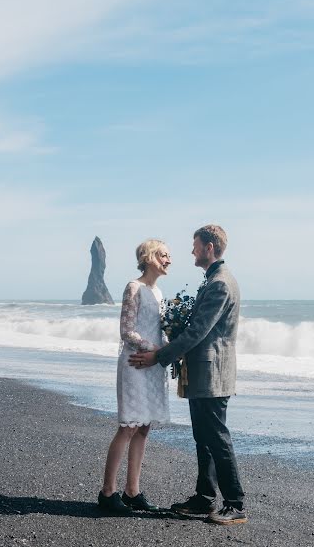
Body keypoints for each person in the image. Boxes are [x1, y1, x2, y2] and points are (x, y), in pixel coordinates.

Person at [129, 225, 247, 525]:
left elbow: (198, 331)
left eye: (195, 246)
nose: (192, 251)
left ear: (209, 247)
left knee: (216, 437)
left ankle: (235, 504)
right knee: (203, 438)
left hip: (212, 372)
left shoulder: (220, 283)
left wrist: (160, 356)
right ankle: (204, 498)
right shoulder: (213, 280)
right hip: (202, 371)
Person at [98, 239, 171, 514]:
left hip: (152, 366)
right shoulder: (134, 287)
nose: (169, 260)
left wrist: (167, 351)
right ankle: (107, 492)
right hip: (134, 362)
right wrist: (153, 349)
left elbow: (159, 330)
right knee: (128, 426)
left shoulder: (160, 292)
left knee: (144, 427)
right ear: (149, 257)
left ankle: (132, 491)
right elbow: (126, 330)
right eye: (164, 255)